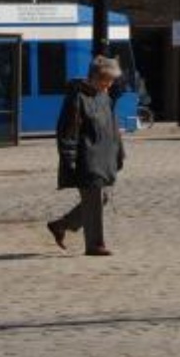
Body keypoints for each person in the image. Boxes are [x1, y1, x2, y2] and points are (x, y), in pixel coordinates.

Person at [46, 56, 125, 256]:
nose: (110, 84)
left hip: (104, 156)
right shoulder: (77, 97)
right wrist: (69, 158)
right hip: (87, 157)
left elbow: (113, 128)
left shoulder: (105, 97)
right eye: (107, 79)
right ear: (96, 78)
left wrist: (120, 152)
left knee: (102, 197)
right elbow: (68, 131)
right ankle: (95, 244)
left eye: (112, 80)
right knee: (95, 197)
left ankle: (62, 225)